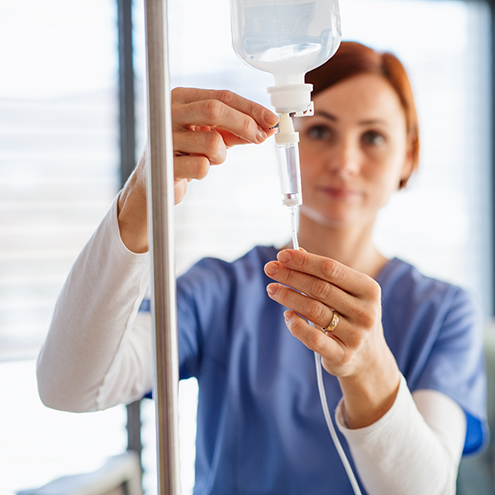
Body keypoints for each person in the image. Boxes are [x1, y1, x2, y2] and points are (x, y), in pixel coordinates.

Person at [36, 41, 487, 494]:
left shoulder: (443, 313)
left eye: (372, 137)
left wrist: (369, 367)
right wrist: (142, 197)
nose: (344, 163)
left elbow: (429, 488)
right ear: (286, 136)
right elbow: (69, 385)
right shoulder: (222, 292)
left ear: (408, 155)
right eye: (320, 131)